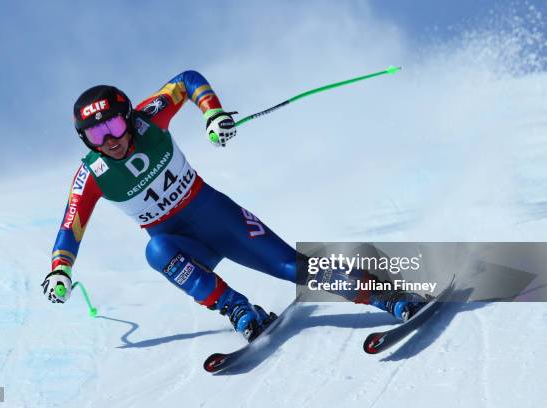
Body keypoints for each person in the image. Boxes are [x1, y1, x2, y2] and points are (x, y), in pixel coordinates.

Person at [41, 71, 426, 341]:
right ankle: (240, 310)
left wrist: (212, 113)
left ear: (128, 118)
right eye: (95, 133)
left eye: (113, 127)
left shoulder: (150, 119)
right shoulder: (93, 173)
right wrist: (60, 271)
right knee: (156, 251)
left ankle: (389, 295)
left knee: (292, 267)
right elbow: (71, 226)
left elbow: (187, 80)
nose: (108, 140)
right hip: (182, 245)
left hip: (216, 218)